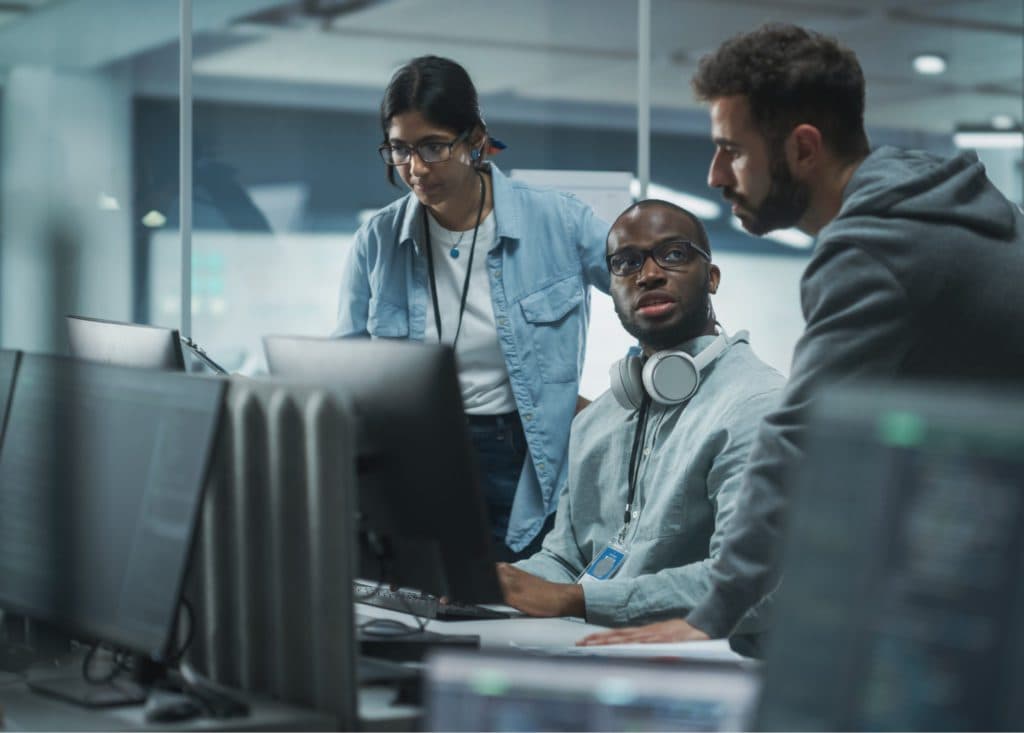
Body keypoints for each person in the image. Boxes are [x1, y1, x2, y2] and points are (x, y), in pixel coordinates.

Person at [579, 22, 1024, 646]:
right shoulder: (930, 203)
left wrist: (712, 614)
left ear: (803, 148)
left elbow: (797, 446)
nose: (713, 174)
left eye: (732, 150)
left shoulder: (874, 246)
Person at [333, 56, 611, 562]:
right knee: (427, 607)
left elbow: (655, 297)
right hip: (420, 458)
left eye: (434, 146)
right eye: (400, 149)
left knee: (519, 609)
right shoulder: (377, 241)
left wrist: (622, 406)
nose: (416, 168)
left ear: (475, 140)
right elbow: (348, 368)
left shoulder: (560, 222)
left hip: (523, 458)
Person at [497, 199, 783, 636]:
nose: (648, 274)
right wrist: (497, 587)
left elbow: (741, 580)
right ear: (610, 288)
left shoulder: (757, 404)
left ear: (712, 277)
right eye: (626, 262)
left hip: (694, 661)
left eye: (673, 254)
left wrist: (576, 599)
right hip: (589, 644)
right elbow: (564, 559)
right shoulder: (598, 420)